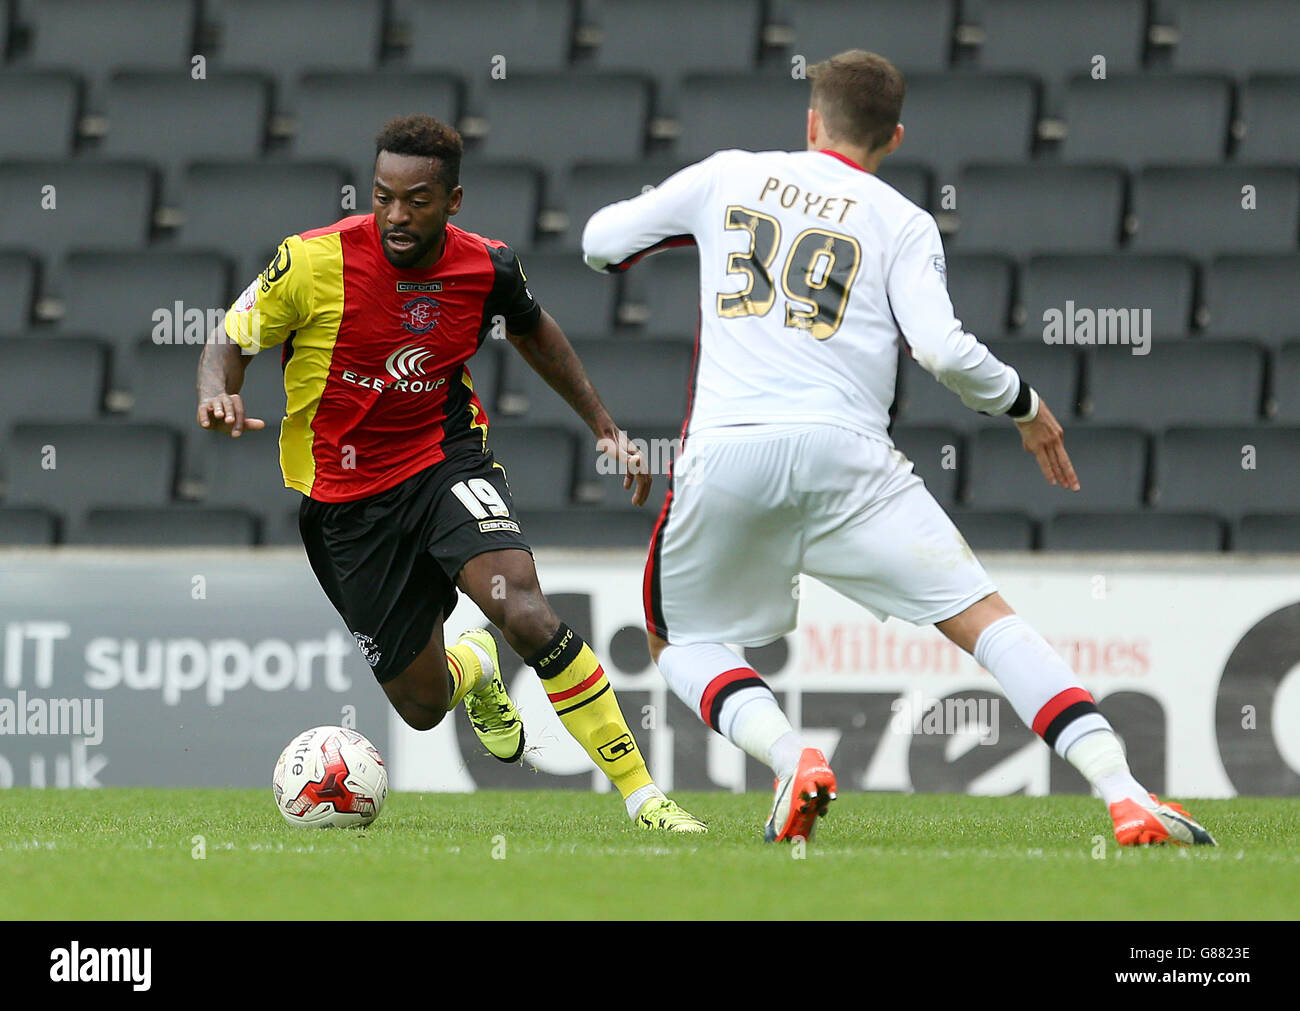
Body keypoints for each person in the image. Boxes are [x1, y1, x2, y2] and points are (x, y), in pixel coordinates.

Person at [582, 50, 1213, 847]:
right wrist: (1025, 406)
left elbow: (601, 241)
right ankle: (1124, 793)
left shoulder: (729, 175)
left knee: (678, 642)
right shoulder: (902, 220)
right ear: (895, 137)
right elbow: (943, 351)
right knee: (987, 621)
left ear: (811, 121)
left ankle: (791, 756)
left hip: (731, 450)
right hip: (851, 461)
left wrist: (696, 226)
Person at [197, 114, 704, 833]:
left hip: (443, 460)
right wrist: (216, 390)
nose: (397, 216)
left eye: (418, 199)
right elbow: (231, 337)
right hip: (345, 501)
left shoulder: (485, 265)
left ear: (453, 200)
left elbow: (535, 330)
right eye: (383, 197)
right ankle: (472, 665)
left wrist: (603, 425)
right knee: (424, 705)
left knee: (524, 607)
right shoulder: (311, 263)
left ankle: (643, 795)